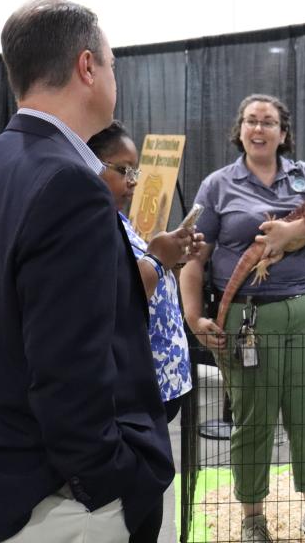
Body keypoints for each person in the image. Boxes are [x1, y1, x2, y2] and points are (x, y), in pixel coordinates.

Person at [0, 0, 201, 543]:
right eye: (112, 63)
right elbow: (68, 375)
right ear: (86, 68)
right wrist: (115, 479)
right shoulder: (68, 185)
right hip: (57, 503)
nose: (114, 76)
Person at [180, 94, 305, 543]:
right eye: (251, 121)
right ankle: (253, 516)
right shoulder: (218, 185)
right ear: (239, 130)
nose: (259, 129)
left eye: (269, 122)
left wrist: (295, 231)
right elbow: (194, 257)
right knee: (253, 420)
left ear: (283, 132)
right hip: (247, 319)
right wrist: (194, 315)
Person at [88, 120, 194, 425]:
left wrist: (172, 259)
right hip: (132, 392)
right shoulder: (90, 226)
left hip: (160, 384)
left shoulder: (116, 218)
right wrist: (158, 258)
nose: (133, 182)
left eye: (135, 172)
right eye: (124, 171)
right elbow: (120, 295)